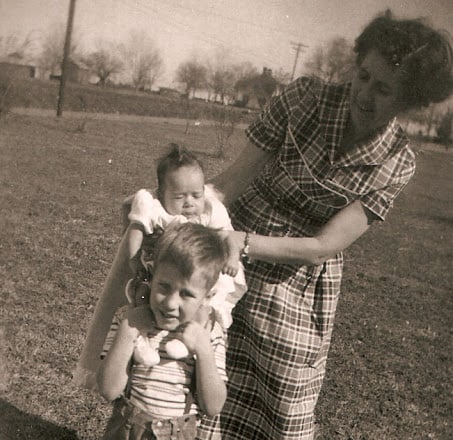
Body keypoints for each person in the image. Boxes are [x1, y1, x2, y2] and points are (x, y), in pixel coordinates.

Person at [199, 11, 453, 440]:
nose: (366, 94)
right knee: (205, 363)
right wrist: (174, 210)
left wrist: (242, 242)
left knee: (283, 402)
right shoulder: (304, 99)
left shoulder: (397, 162)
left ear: (408, 102)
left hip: (296, 282)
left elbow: (322, 245)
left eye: (385, 89)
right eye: (364, 75)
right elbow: (230, 183)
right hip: (229, 262)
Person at [73, 145, 245, 389]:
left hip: (199, 274)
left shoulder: (210, 209)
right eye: (179, 196)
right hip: (157, 271)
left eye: (196, 195)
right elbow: (135, 232)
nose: (189, 203)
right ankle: (141, 343)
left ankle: (188, 340)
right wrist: (133, 262)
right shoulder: (154, 208)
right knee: (142, 301)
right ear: (162, 193)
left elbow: (228, 236)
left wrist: (232, 258)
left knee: (205, 304)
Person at [97, 222, 228, 440]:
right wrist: (128, 333)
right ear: (151, 277)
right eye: (164, 287)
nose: (170, 303)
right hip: (128, 430)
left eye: (186, 294)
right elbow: (108, 389)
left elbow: (213, 406)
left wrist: (204, 351)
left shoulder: (209, 332)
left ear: (207, 297)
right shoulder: (131, 318)